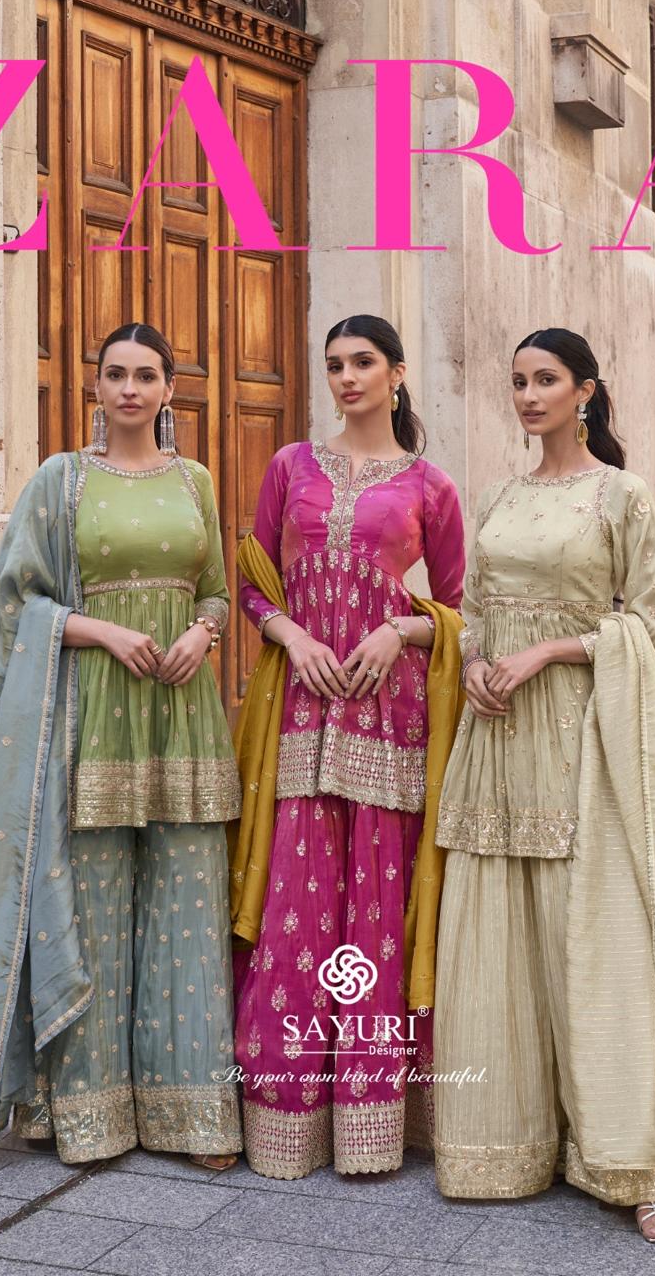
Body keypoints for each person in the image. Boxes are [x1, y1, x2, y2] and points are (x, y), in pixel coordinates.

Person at [432, 328, 655, 1248]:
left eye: (546, 380)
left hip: (583, 741)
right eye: (518, 381)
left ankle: (633, 1163)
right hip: (497, 741)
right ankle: (513, 1143)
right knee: (505, 933)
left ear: (585, 392)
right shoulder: (499, 496)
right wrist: (474, 663)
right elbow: (474, 610)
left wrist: (549, 651)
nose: (528, 395)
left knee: (597, 943)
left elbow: (652, 624)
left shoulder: (622, 494)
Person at [0, 323, 243, 1172]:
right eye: (115, 374)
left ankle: (193, 1116)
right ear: (96, 386)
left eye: (146, 375)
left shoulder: (195, 480)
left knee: (187, 914)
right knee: (94, 912)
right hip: (91, 720)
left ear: (169, 388)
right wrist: (100, 629)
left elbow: (216, 590)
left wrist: (204, 633)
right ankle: (87, 1114)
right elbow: (14, 607)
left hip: (182, 720)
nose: (130, 389)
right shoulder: (60, 481)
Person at [228, 315, 466, 1179]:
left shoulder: (431, 486)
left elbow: (459, 610)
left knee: (376, 906)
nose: (346, 377)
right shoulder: (291, 466)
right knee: (295, 903)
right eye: (334, 364)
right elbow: (253, 583)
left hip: (389, 717)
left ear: (397, 373)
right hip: (301, 707)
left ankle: (375, 1118)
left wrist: (400, 631)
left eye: (363, 362)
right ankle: (286, 1120)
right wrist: (291, 636)